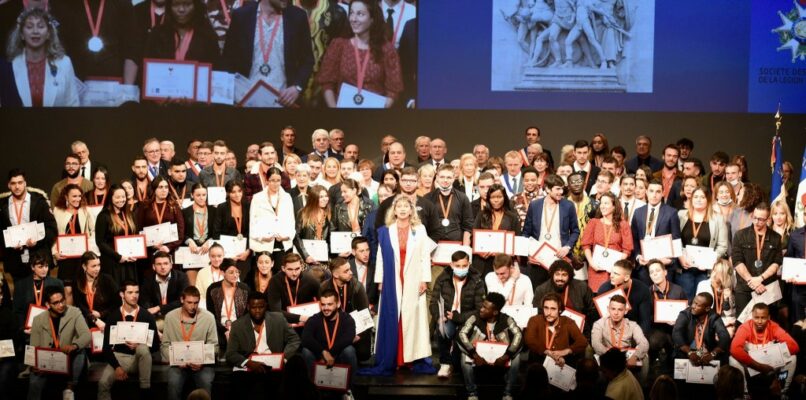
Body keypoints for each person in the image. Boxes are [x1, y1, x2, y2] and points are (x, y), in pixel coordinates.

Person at [362, 194, 434, 375]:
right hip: (392, 279)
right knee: (393, 316)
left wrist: (424, 279)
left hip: (413, 278)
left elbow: (425, 256)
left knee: (412, 319)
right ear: (393, 210)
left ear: (411, 210)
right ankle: (393, 357)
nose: (402, 209)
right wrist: (379, 281)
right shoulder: (386, 231)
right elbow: (379, 258)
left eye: (406, 206)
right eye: (398, 206)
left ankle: (409, 358)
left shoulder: (420, 229)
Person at [222, 0, 313, 107]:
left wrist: (297, 87)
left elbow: (307, 60)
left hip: (282, 103)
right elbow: (228, 61)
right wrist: (231, 96)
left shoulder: (297, 17)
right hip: (245, 103)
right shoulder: (242, 16)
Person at [318, 0, 403, 107]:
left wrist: (380, 110)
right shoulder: (339, 45)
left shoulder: (387, 49)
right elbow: (327, 83)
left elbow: (393, 90)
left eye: (360, 14)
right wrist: (335, 110)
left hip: (375, 115)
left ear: (372, 19)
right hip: (342, 113)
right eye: (352, 13)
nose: (353, 19)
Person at [225, 290, 301, 398]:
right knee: (240, 382)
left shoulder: (278, 319)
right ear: (248, 307)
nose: (257, 311)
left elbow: (295, 339)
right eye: (253, 307)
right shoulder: (238, 325)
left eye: (260, 307)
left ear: (266, 306)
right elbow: (231, 354)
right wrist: (248, 362)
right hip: (249, 366)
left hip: (273, 365)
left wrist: (284, 358)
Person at [97, 280, 160, 400]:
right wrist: (117, 367)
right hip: (119, 358)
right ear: (122, 294)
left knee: (143, 348)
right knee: (103, 383)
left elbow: (156, 345)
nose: (134, 295)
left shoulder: (147, 316)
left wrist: (139, 344)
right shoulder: (113, 317)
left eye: (137, 292)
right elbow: (106, 348)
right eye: (130, 292)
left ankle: (145, 390)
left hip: (140, 359)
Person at [456, 292, 523, 400]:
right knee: (464, 356)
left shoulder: (507, 320)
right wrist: (474, 355)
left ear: (495, 312)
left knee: (517, 357)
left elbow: (518, 335)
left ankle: (508, 393)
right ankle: (472, 393)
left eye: (485, 308)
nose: (481, 309)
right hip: (478, 358)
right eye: (482, 306)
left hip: (500, 359)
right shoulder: (474, 317)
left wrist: (506, 356)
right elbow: (461, 334)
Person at [6, 8, 79, 107]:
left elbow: (73, 104)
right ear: (22, 34)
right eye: (29, 26)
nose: (35, 31)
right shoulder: (10, 66)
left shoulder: (64, 63)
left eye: (40, 26)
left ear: (48, 34)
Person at [28, 285, 90, 400]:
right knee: (34, 384)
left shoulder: (74, 312)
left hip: (67, 356)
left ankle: (69, 388)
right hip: (47, 360)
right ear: (47, 305)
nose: (61, 305)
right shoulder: (38, 319)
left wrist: (74, 345)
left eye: (62, 301)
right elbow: (33, 347)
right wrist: (33, 364)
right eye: (56, 303)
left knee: (81, 351)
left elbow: (86, 335)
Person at [430, 250, 485, 378]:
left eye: (464, 266)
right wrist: (439, 316)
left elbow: (479, 309)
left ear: (469, 264)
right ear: (451, 265)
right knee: (442, 329)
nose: (461, 269)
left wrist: (458, 317)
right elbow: (433, 302)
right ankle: (444, 363)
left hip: (467, 319)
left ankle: (455, 362)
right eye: (458, 266)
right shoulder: (443, 278)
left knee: (458, 361)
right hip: (447, 317)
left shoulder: (477, 280)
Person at [521, 174, 580, 287]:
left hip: (560, 258)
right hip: (538, 260)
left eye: (562, 188)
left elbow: (575, 231)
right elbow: (526, 233)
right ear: (547, 189)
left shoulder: (568, 206)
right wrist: (529, 254)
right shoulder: (535, 205)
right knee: (538, 294)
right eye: (557, 189)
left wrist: (567, 247)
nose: (561, 192)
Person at [161, 286, 218, 400]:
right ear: (182, 300)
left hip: (202, 365)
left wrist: (202, 361)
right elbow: (165, 345)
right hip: (179, 365)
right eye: (189, 302)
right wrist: (176, 360)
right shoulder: (170, 317)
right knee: (173, 383)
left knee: (205, 381)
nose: (193, 306)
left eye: (196, 303)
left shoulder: (208, 317)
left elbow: (214, 346)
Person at [730, 302, 799, 392]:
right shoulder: (744, 327)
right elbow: (734, 349)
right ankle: (744, 393)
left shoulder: (773, 326)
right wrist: (758, 366)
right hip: (752, 363)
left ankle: (782, 391)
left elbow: (794, 346)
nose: (759, 321)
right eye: (756, 317)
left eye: (763, 318)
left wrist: (774, 357)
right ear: (752, 316)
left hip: (770, 362)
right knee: (732, 360)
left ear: (769, 317)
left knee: (793, 358)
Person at [300, 288, 358, 394]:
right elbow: (306, 338)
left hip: (338, 356)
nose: (326, 308)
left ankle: (349, 392)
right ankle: (310, 392)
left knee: (349, 350)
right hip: (320, 357)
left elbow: (349, 337)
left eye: (330, 304)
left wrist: (330, 354)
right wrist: (323, 352)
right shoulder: (314, 319)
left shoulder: (347, 319)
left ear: (338, 304)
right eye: (323, 304)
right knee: (306, 351)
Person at [677, 185, 730, 299]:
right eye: (695, 197)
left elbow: (723, 246)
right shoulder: (681, 215)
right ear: (691, 199)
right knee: (686, 301)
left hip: (705, 271)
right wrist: (681, 256)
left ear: (708, 200)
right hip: (684, 268)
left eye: (702, 197)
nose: (699, 200)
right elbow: (676, 239)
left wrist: (709, 261)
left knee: (703, 301)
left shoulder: (717, 219)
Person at [731, 202, 783, 317]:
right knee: (743, 325)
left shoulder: (776, 238)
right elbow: (737, 261)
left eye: (761, 219)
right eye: (754, 218)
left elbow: (777, 262)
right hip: (745, 288)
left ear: (768, 219)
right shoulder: (740, 235)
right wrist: (753, 282)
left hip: (767, 287)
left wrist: (760, 278)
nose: (757, 222)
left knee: (768, 325)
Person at [630, 179, 682, 286]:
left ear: (663, 193)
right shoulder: (638, 212)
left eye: (658, 192)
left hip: (663, 264)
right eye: (651, 191)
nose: (654, 195)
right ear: (646, 192)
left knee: (663, 299)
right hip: (644, 264)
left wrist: (670, 260)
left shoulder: (671, 212)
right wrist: (638, 256)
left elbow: (676, 239)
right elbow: (634, 238)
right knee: (646, 297)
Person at [582, 191, 633, 292]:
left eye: (606, 203)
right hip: (596, 268)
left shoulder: (623, 225)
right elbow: (586, 245)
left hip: (615, 271)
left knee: (614, 298)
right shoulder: (594, 223)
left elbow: (627, 249)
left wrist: (616, 267)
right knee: (597, 299)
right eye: (601, 203)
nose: (602, 206)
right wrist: (591, 263)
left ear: (614, 206)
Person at [322, 257, 371, 360]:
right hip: (333, 329)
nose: (351, 273)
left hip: (355, 329)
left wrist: (357, 335)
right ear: (335, 275)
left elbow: (365, 315)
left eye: (349, 269)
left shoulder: (357, 286)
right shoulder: (324, 287)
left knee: (358, 354)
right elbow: (322, 313)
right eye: (346, 271)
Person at [143, 0, 219, 65]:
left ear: (196, 5)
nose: (181, 9)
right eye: (175, 4)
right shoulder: (156, 34)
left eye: (187, 4)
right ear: (169, 7)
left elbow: (216, 70)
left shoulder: (208, 36)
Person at [533, 260, 596, 336]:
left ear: (569, 276)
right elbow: (538, 315)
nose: (560, 278)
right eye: (557, 274)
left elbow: (592, 311)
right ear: (552, 274)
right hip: (550, 332)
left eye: (564, 275)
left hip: (578, 331)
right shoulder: (541, 290)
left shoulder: (582, 287)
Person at [51, 183, 96, 293]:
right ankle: (70, 311)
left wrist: (89, 246)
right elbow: (54, 234)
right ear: (66, 197)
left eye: (79, 196)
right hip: (65, 257)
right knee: (68, 290)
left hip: (82, 256)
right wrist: (54, 252)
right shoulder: (57, 211)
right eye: (74, 196)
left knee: (82, 289)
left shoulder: (86, 210)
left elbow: (94, 230)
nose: (77, 199)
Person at [524, 292, 588, 366]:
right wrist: (546, 351)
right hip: (539, 365)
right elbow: (529, 339)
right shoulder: (535, 320)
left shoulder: (567, 322)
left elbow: (582, 341)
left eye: (553, 309)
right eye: (546, 308)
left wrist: (566, 351)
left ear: (560, 310)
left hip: (562, 364)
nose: (548, 313)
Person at [250, 167, 295, 269]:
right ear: (267, 181)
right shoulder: (258, 198)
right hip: (264, 244)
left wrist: (287, 236)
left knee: (281, 275)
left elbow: (291, 221)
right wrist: (261, 237)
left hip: (282, 243)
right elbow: (253, 222)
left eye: (278, 180)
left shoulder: (286, 197)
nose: (275, 183)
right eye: (272, 180)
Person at [94, 184, 139, 285]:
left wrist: (136, 252)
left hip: (129, 261)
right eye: (117, 197)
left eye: (123, 197)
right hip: (113, 262)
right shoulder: (103, 216)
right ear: (111, 198)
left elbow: (135, 236)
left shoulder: (129, 214)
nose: (121, 200)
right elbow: (100, 242)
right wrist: (119, 257)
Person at [472, 184, 521, 275]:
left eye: (499, 197)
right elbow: (473, 237)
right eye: (492, 197)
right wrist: (479, 252)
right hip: (483, 262)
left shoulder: (512, 217)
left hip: (504, 263)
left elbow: (517, 240)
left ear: (505, 198)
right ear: (488, 199)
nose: (496, 200)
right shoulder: (481, 214)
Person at [591, 295, 649, 369]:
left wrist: (635, 356)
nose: (616, 313)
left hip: (626, 358)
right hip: (607, 357)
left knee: (645, 357)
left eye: (620, 310)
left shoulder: (632, 325)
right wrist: (610, 356)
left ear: (625, 311)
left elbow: (644, 343)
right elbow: (596, 343)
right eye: (613, 309)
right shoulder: (599, 324)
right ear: (608, 309)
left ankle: (638, 381)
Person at [672, 292, 731, 366]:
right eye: (693, 302)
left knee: (724, 354)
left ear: (707, 308)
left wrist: (713, 353)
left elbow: (724, 336)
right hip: (688, 349)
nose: (693, 306)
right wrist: (689, 352)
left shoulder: (713, 317)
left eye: (697, 305)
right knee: (679, 351)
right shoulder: (685, 314)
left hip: (708, 350)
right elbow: (676, 333)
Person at [135, 176, 186, 259]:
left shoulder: (174, 206)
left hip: (169, 251)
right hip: (150, 251)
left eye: (166, 187)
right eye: (160, 187)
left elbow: (180, 231)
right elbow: (139, 228)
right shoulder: (145, 206)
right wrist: (151, 245)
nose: (164, 190)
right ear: (154, 189)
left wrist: (168, 247)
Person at [597, 260, 653, 335]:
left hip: (634, 330)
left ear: (626, 277)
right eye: (612, 272)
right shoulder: (604, 289)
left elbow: (645, 321)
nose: (611, 276)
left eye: (616, 274)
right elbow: (600, 320)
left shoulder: (642, 289)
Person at [139, 251, 190, 330]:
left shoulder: (181, 277)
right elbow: (145, 302)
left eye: (166, 263)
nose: (163, 267)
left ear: (171, 265)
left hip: (177, 316)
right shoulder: (148, 279)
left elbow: (182, 301)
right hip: (156, 317)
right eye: (159, 264)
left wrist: (159, 308)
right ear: (153, 266)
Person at [12, 253, 64, 331]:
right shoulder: (21, 285)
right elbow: (18, 311)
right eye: (40, 267)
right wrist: (23, 328)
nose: (44, 270)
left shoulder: (57, 283)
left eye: (46, 266)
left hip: (52, 326)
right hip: (29, 328)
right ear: (33, 267)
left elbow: (61, 308)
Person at [266, 253, 320, 326]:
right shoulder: (275, 281)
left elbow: (322, 303)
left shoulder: (311, 281)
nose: (294, 273)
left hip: (307, 324)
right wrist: (301, 318)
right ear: (283, 268)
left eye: (297, 269)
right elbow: (276, 311)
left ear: (302, 267)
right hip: (283, 323)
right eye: (290, 269)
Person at [206, 261, 249, 351]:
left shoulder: (244, 289)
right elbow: (211, 315)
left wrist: (235, 329)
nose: (235, 275)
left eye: (237, 272)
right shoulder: (213, 289)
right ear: (222, 272)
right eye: (231, 272)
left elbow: (247, 314)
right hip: (219, 328)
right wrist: (224, 331)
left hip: (239, 328)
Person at [212, 180, 251, 276]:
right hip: (226, 253)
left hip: (245, 252)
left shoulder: (248, 206)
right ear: (228, 193)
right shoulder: (222, 207)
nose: (237, 194)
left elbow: (252, 231)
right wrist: (226, 254)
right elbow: (216, 232)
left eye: (239, 191)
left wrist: (248, 251)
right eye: (233, 192)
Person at [73, 252, 120, 332]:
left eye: (99, 265)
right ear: (84, 266)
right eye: (93, 266)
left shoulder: (107, 279)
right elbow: (79, 305)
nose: (97, 269)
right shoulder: (77, 282)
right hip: (87, 322)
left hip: (107, 322)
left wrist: (101, 314)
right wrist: (94, 318)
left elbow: (117, 303)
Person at [182, 183, 217, 285]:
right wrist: (189, 241)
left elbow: (217, 232)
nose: (202, 198)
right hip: (191, 252)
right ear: (192, 195)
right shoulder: (185, 212)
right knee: (193, 287)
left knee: (207, 286)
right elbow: (181, 233)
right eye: (198, 195)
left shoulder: (214, 211)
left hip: (208, 252)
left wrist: (209, 242)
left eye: (204, 195)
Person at [695, 259, 737, 336]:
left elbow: (731, 314)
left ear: (724, 275)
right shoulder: (703, 285)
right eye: (713, 270)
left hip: (726, 322)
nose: (713, 274)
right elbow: (700, 311)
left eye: (717, 272)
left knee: (729, 332)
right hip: (708, 321)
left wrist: (727, 299)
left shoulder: (731, 287)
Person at [294, 184, 332, 267]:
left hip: (323, 258)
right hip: (306, 258)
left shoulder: (329, 213)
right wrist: (306, 256)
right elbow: (296, 236)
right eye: (321, 197)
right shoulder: (303, 213)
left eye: (326, 196)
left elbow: (330, 238)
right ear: (314, 198)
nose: (325, 199)